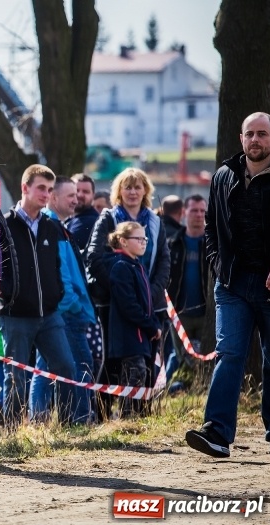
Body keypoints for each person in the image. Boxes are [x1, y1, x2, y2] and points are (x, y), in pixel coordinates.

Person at [186, 111, 270, 459]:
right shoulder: (224, 175)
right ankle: (217, 433)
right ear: (241, 139)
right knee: (229, 354)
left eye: (262, 134)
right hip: (232, 285)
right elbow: (211, 226)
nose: (255, 140)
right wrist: (218, 264)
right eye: (249, 134)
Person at [85, 168, 170, 420]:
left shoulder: (155, 222)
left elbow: (164, 261)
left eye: (137, 187)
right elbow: (94, 258)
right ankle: (101, 416)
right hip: (113, 304)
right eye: (127, 187)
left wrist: (147, 293)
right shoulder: (108, 218)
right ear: (119, 191)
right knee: (112, 361)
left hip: (150, 304)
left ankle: (140, 415)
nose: (132, 192)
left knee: (147, 360)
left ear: (145, 191)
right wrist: (121, 288)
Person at [0, 165, 79, 428]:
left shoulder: (50, 226)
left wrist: (57, 294)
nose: (46, 194)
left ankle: (67, 427)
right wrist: (7, 295)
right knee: (16, 376)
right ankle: (12, 433)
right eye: (41, 188)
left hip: (49, 315)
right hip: (15, 315)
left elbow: (55, 265)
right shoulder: (5, 224)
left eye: (49, 189)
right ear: (25, 188)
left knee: (66, 368)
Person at [29, 176, 94, 424]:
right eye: (70, 195)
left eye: (77, 195)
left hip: (62, 310)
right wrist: (73, 305)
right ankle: (79, 418)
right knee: (81, 363)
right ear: (54, 198)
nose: (76, 200)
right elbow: (61, 275)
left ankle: (39, 420)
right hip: (67, 312)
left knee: (45, 367)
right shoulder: (52, 227)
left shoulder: (58, 226)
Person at [107, 222, 162, 417]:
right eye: (138, 239)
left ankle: (137, 417)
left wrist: (154, 324)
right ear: (123, 241)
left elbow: (147, 303)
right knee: (134, 375)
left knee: (143, 375)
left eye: (144, 238)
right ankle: (127, 418)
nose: (143, 242)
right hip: (129, 337)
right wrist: (150, 326)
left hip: (142, 336)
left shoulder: (138, 266)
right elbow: (129, 305)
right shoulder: (121, 267)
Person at [165, 194, 208, 385]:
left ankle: (202, 389)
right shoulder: (172, 244)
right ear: (184, 213)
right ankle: (181, 391)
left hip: (208, 315)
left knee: (206, 360)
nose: (199, 215)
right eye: (194, 210)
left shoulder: (213, 244)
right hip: (180, 314)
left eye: (202, 211)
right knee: (182, 359)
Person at [67, 173, 99, 251]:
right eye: (76, 190)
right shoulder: (68, 218)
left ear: (93, 196)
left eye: (86, 191)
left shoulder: (90, 221)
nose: (79, 195)